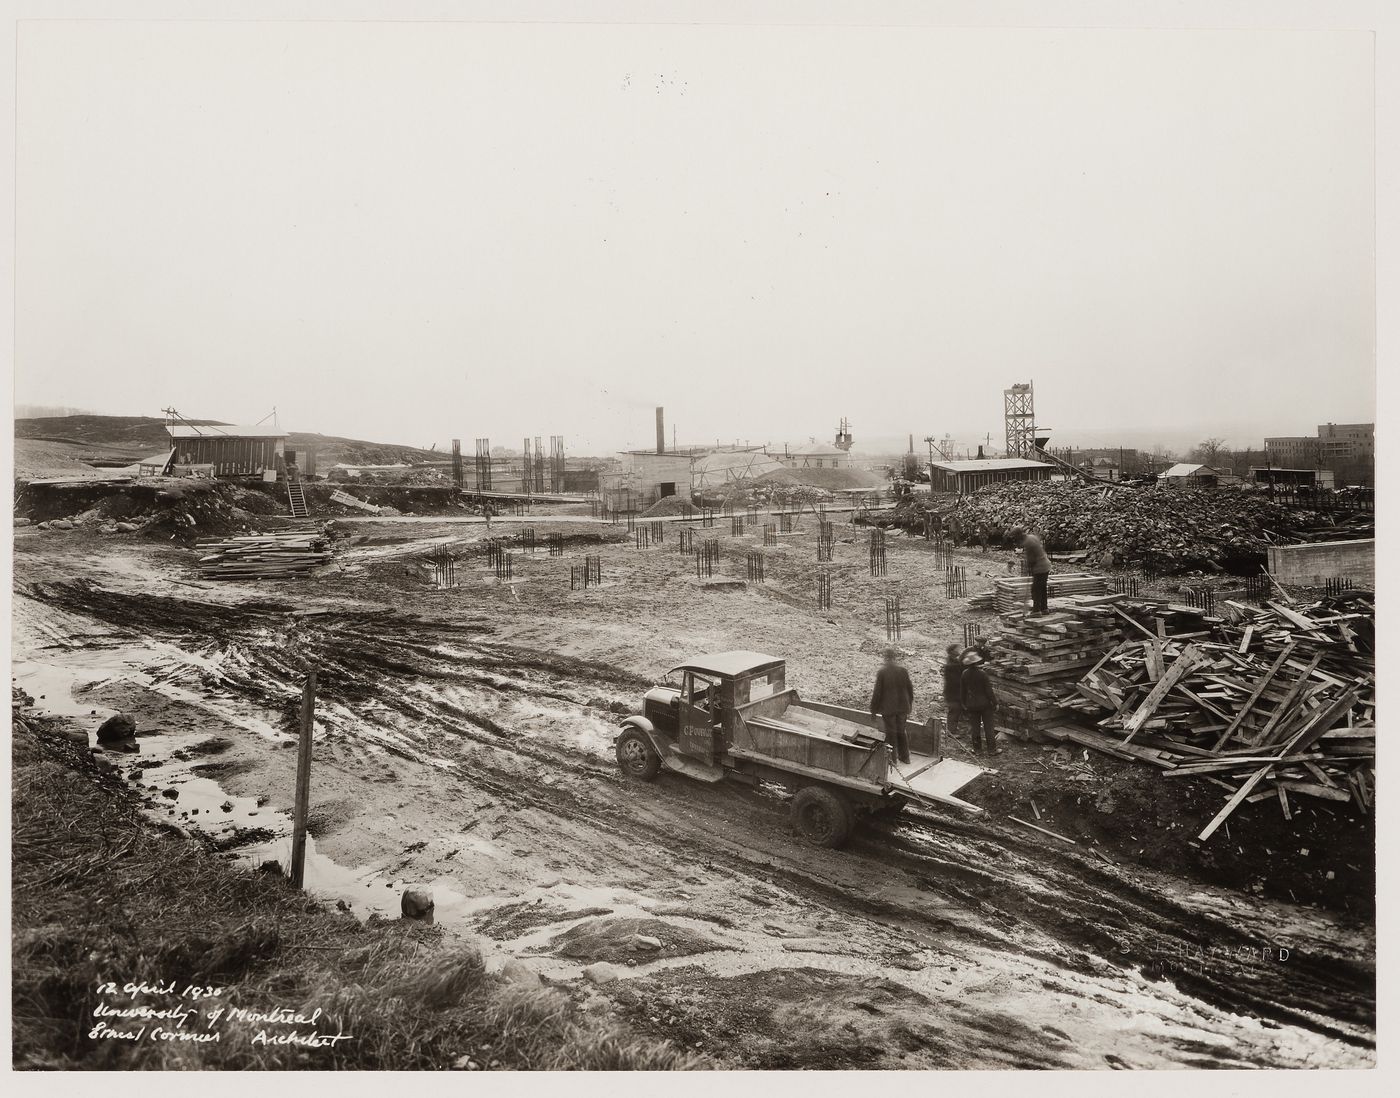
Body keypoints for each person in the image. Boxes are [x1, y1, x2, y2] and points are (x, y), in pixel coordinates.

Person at [870, 646, 913, 765]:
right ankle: (905, 757)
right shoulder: (903, 670)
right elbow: (910, 689)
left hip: (889, 709)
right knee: (901, 731)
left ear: (885, 658)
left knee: (891, 733)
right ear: (895, 658)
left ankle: (892, 759)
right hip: (903, 707)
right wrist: (909, 705)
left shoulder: (882, 672)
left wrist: (873, 710)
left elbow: (877, 692)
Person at [960, 650, 1000, 756]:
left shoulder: (964, 674)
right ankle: (992, 750)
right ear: (977, 662)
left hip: (971, 705)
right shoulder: (982, 674)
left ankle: (977, 750)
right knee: (989, 727)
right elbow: (989, 691)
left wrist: (963, 703)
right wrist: (995, 703)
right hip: (985, 704)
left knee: (975, 728)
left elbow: (963, 690)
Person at [1010, 526, 1052, 616]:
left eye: (1015, 537)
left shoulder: (1027, 542)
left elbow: (1032, 560)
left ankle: (1036, 611)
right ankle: (1044, 608)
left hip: (1040, 567)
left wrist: (1029, 570)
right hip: (1046, 564)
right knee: (1042, 588)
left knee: (1035, 590)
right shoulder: (1032, 537)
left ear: (1019, 535)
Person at [941, 644, 966, 740]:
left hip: (954, 691)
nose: (959, 650)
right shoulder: (951, 665)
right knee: (954, 711)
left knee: (955, 711)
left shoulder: (953, 661)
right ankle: (951, 732)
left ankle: (952, 729)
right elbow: (956, 680)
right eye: (957, 649)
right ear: (952, 651)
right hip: (953, 692)